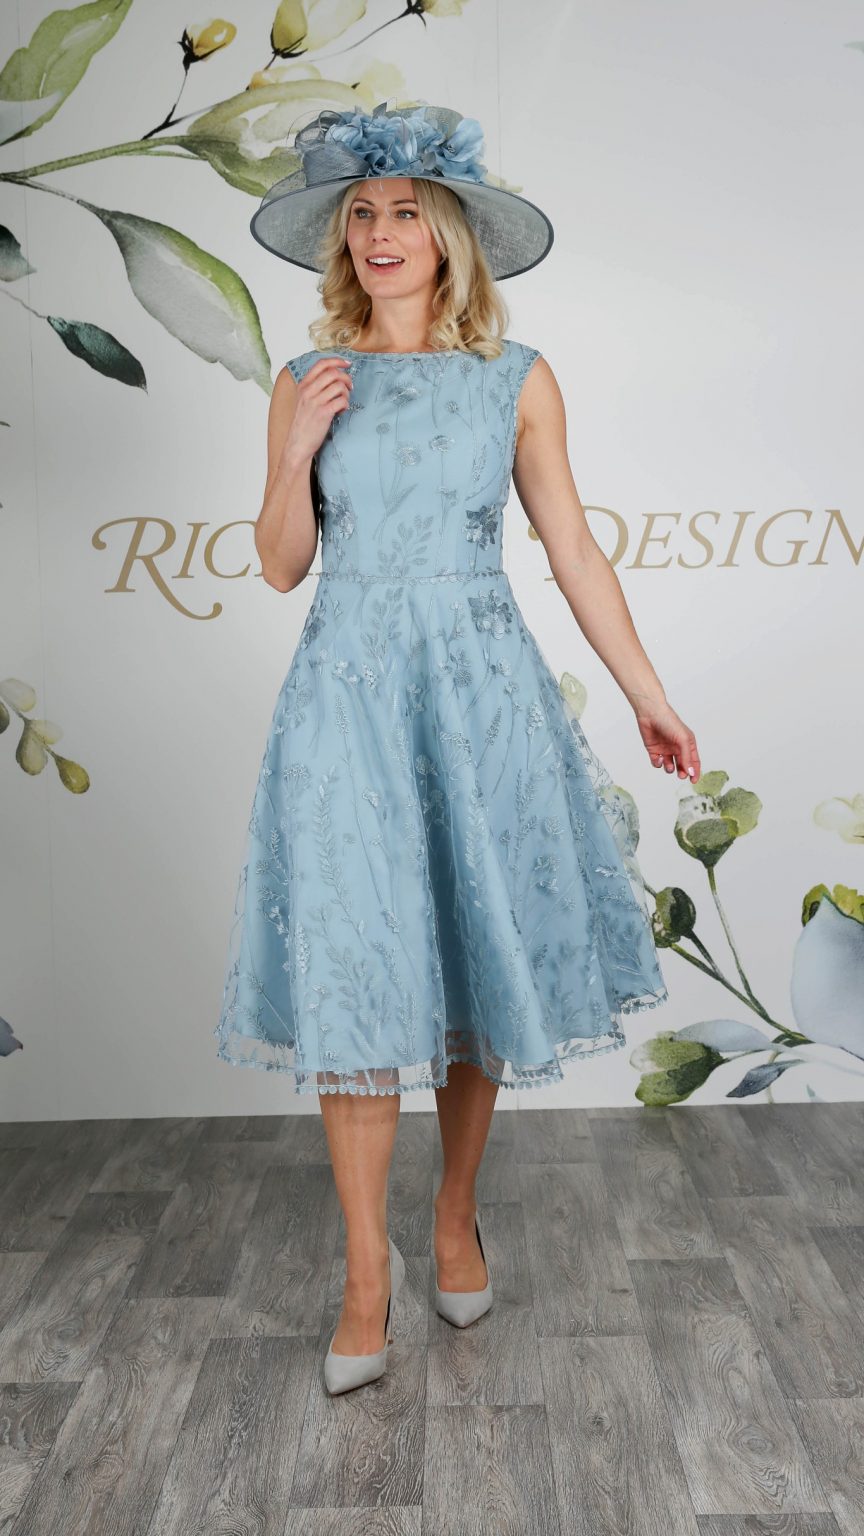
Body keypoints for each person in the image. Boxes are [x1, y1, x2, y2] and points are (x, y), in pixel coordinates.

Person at [214, 102, 701, 1393]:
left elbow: (572, 546)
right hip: (348, 700)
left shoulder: (516, 375)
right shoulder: (307, 378)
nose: (381, 233)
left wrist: (647, 693)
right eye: (361, 213)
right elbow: (279, 565)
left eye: (406, 212)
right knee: (358, 971)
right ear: (342, 238)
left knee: (471, 954)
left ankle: (453, 1214)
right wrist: (299, 448)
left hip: (482, 690)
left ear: (450, 235)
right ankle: (365, 1277)